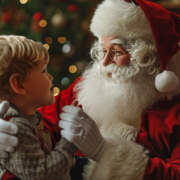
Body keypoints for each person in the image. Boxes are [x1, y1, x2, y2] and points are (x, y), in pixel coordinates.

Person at [0, 0, 180, 179]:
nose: (104, 62)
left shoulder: (174, 112)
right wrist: (14, 127)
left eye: (116, 52)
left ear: (147, 57)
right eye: (103, 50)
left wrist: (105, 151)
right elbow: (43, 127)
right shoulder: (86, 87)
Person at [0, 35, 78, 180]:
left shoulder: (31, 118)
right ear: (19, 85)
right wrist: (70, 139)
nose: (51, 77)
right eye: (43, 71)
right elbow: (42, 174)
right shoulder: (16, 127)